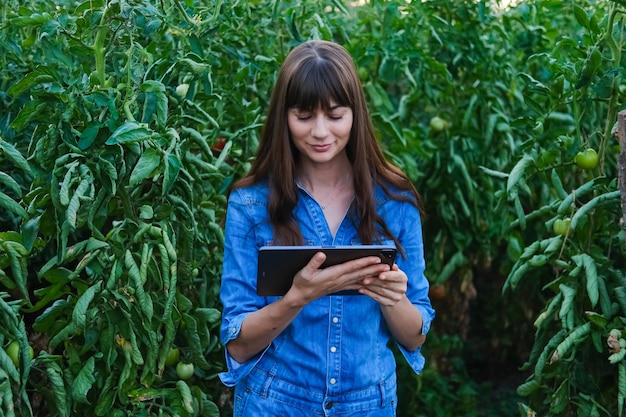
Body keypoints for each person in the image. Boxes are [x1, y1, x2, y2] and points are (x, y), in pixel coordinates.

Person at [219, 39, 435, 416]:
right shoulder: (252, 203)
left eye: (335, 115)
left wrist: (393, 297)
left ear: (356, 114)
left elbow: (415, 335)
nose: (320, 132)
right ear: (283, 117)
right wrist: (297, 297)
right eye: (304, 116)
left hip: (369, 405)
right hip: (274, 402)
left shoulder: (395, 201)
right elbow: (237, 344)